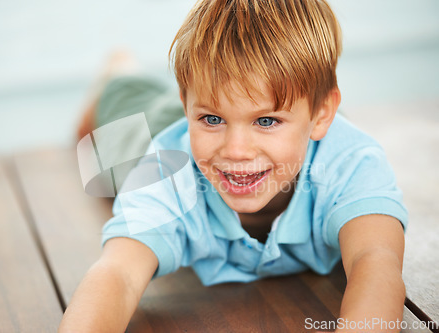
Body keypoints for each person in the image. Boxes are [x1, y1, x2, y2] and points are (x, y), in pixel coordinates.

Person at [60, 0, 408, 332]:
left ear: (322, 114)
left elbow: (375, 261)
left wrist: (217, 117)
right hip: (162, 125)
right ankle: (120, 71)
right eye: (212, 119)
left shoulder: (351, 165)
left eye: (267, 121)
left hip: (248, 113)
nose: (236, 151)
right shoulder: (164, 169)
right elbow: (117, 274)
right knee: (120, 131)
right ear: (189, 108)